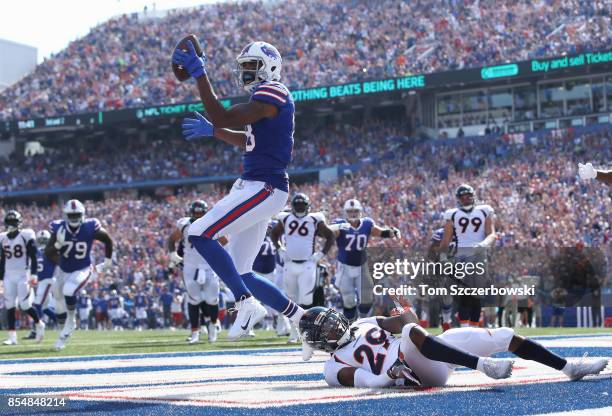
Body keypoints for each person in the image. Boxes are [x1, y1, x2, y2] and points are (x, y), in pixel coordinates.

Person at [173, 39, 305, 341]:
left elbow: (222, 115)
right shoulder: (263, 104)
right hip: (256, 184)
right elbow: (249, 142)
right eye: (243, 66)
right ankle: (300, 318)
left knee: (198, 232)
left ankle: (245, 304)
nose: (246, 72)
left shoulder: (274, 91)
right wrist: (215, 132)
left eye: (252, 66)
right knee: (242, 272)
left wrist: (200, 75)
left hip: (265, 186)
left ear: (270, 68)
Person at [300, 307, 609, 388]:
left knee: (503, 335)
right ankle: (483, 367)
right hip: (415, 372)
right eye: (324, 328)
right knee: (410, 333)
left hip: (428, 351)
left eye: (330, 319)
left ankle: (569, 368)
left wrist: (401, 309)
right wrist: (391, 374)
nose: (333, 325)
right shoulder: (332, 367)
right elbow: (370, 380)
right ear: (318, 342)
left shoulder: (363, 323)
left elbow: (408, 321)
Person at [45, 200, 114, 349]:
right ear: (66, 215)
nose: (75, 217)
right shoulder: (58, 227)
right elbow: (47, 252)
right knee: (57, 297)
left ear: (82, 215)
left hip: (82, 269)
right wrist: (58, 244)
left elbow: (108, 240)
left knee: (68, 290)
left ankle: (71, 322)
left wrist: (108, 261)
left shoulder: (90, 226)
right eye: (72, 215)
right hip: (63, 270)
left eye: (77, 214)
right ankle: (64, 330)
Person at [271, 193, 334, 342]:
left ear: (307, 206)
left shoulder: (314, 219)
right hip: (290, 264)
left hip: (307, 264)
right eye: (297, 205)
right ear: (292, 207)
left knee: (305, 300)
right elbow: (274, 234)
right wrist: (279, 248)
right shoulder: (285, 218)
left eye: (302, 205)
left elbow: (330, 235)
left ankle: (305, 331)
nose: (299, 208)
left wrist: (321, 254)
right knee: (292, 300)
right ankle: (295, 332)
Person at [330, 199, 401, 322]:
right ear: (345, 212)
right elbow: (331, 232)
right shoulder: (340, 224)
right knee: (349, 299)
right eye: (350, 211)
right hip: (344, 266)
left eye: (355, 211)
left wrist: (392, 232)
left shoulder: (367, 224)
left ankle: (363, 322)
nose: (352, 214)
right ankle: (350, 324)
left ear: (360, 212)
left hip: (362, 266)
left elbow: (380, 232)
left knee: (367, 297)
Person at [440, 184, 496, 327]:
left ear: (473, 196)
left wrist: (482, 244)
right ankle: (465, 328)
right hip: (460, 256)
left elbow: (492, 234)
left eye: (468, 195)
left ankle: (474, 328)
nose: (466, 199)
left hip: (479, 254)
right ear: (458, 199)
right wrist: (443, 257)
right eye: (463, 197)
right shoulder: (452, 213)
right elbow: (446, 239)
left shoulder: (484, 210)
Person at [168, 200, 221, 343]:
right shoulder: (185, 225)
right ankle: (195, 332)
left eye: (200, 213)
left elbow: (225, 240)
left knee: (212, 299)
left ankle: (212, 325)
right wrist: (172, 254)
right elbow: (172, 239)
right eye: (195, 213)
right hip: (190, 267)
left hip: (209, 266)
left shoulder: (212, 223)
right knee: (194, 299)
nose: (198, 216)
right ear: (191, 212)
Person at [1, 210, 44, 344]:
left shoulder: (26, 235)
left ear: (19, 222)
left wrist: (34, 274)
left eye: (14, 221)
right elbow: (2, 260)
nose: (11, 224)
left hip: (22, 274)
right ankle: (12, 337)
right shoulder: (2, 237)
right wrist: (1, 278)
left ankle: (39, 324)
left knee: (25, 305)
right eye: (9, 221)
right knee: (10, 305)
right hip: (8, 275)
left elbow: (33, 257)